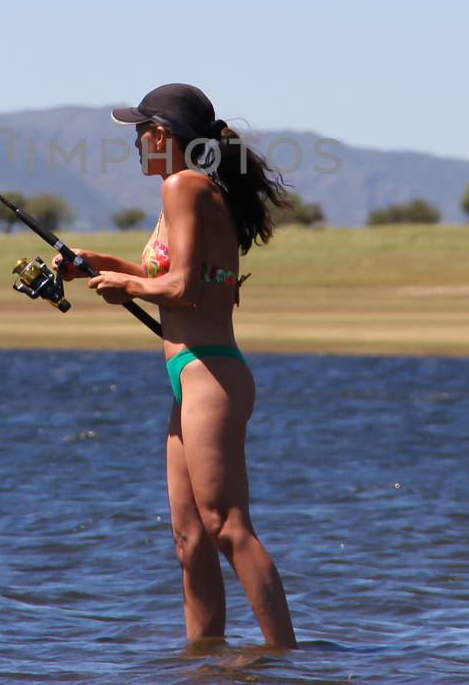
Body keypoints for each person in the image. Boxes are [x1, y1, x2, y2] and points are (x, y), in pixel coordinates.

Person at [54, 83, 298, 648]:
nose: (136, 143)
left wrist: (128, 287)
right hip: (188, 377)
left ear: (161, 136)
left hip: (210, 373)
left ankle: (286, 660)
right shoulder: (189, 188)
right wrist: (94, 265)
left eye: (140, 133)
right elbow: (164, 272)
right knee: (189, 538)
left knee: (226, 526)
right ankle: (203, 661)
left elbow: (182, 288)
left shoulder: (183, 186)